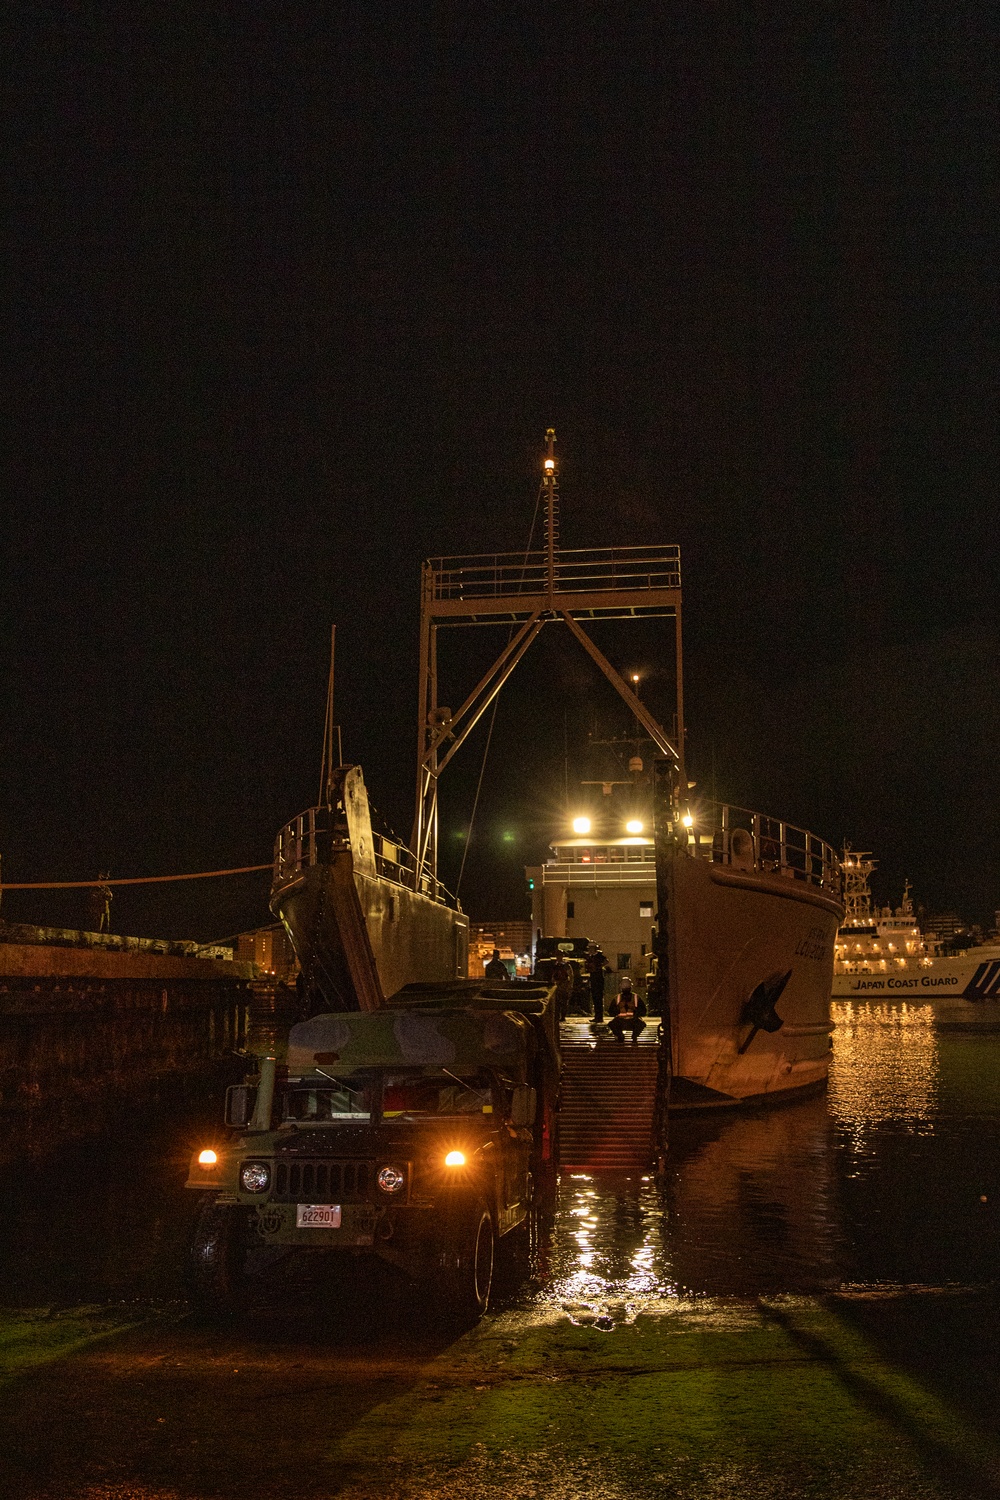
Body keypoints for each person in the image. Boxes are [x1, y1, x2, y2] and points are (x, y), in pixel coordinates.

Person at [607, 977, 646, 1043]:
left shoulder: (635, 997)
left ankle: (634, 1036)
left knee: (641, 1024)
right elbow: (611, 1012)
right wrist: (618, 1008)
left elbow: (643, 1012)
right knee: (612, 1024)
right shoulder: (618, 998)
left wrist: (634, 1009)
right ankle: (620, 1036)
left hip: (633, 1021)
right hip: (621, 1021)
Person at [585, 943, 610, 1025]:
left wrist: (599, 966)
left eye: (590, 949)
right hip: (593, 978)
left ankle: (599, 1017)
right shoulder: (590, 957)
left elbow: (606, 961)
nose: (589, 950)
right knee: (595, 998)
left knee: (598, 998)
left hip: (598, 979)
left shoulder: (599, 956)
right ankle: (597, 1016)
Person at [551, 955, 573, 1021]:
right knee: (557, 1002)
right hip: (558, 985)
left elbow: (570, 975)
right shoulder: (556, 965)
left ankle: (562, 1016)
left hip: (564, 985)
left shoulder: (566, 965)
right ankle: (558, 1016)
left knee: (563, 1002)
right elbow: (554, 975)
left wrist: (569, 985)